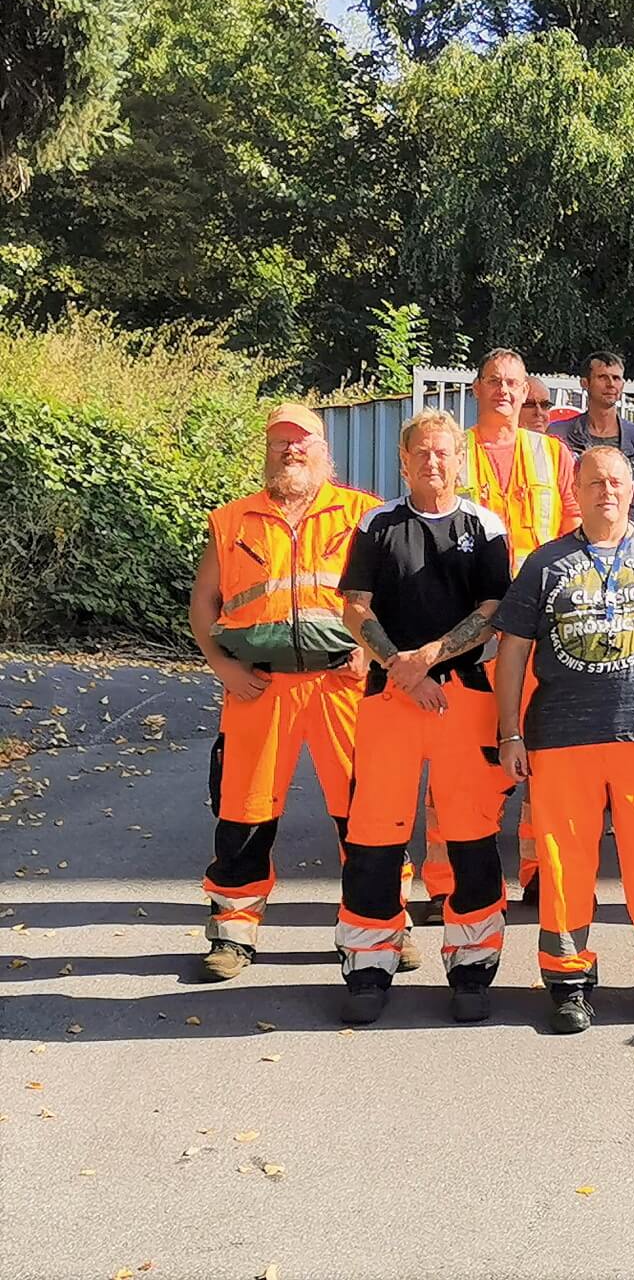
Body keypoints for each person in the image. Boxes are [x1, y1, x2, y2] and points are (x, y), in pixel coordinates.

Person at [493, 447, 634, 1035]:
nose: (607, 492)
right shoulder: (545, 562)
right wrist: (510, 731)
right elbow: (513, 650)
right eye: (594, 482)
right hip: (563, 737)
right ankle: (569, 982)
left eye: (617, 481)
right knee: (565, 862)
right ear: (576, 489)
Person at [333, 410, 515, 1025]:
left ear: (459, 460)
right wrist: (399, 667)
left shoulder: (485, 527)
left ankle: (471, 964)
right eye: (421, 454)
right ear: (403, 461)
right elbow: (354, 607)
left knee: (470, 832)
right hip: (390, 701)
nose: (433, 463)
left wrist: (431, 659)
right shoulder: (378, 524)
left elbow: (493, 609)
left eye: (444, 453)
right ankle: (368, 963)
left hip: (464, 696)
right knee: (374, 833)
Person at [190, 404, 384, 982]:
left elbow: (390, 597)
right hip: (258, 688)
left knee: (366, 812)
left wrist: (371, 653)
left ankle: (379, 928)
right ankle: (233, 931)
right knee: (243, 812)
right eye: (280, 443)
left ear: (327, 454)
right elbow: (205, 604)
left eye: (302, 444)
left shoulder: (363, 515)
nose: (291, 452)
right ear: (267, 452)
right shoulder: (232, 520)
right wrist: (221, 666)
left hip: (341, 685)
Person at [457, 347, 581, 904]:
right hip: (468, 627)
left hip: (541, 628)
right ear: (477, 388)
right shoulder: (452, 451)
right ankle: (452, 879)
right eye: (494, 382)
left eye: (513, 383)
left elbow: (577, 536)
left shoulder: (553, 455)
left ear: (525, 389)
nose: (504, 391)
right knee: (466, 755)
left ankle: (540, 872)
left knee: (546, 753)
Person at [551, 350, 634, 527]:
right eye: (602, 377)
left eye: (616, 378)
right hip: (573, 536)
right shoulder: (559, 436)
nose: (611, 384)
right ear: (585, 383)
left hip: (631, 538)